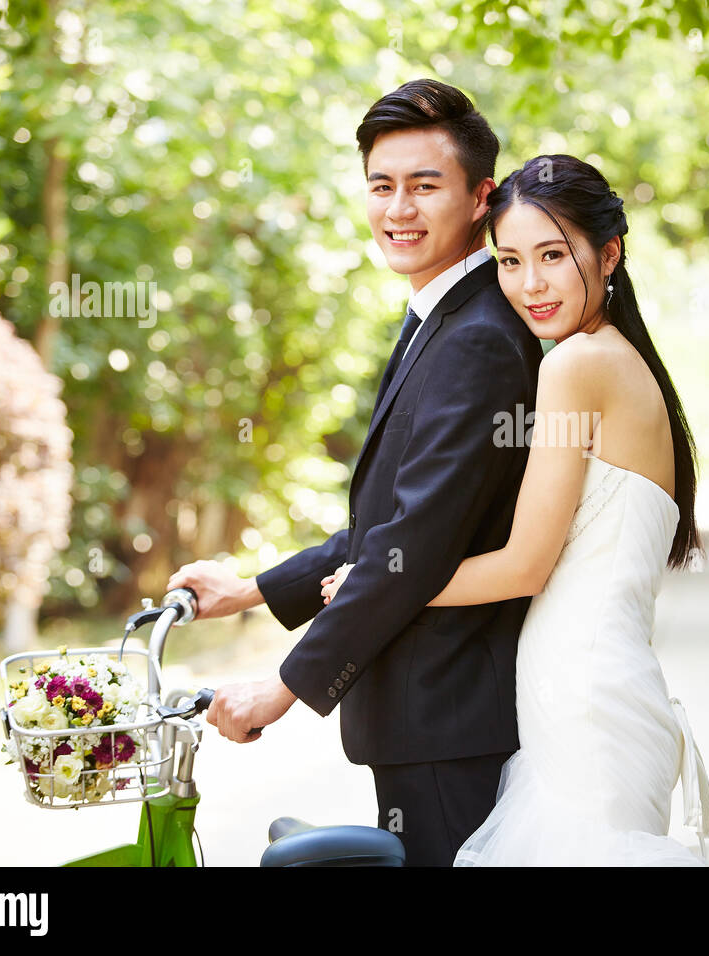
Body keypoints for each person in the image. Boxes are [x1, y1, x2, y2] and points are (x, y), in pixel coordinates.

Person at [322, 155, 709, 866]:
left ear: (609, 252)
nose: (530, 285)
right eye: (510, 261)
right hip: (595, 690)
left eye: (554, 256)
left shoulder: (575, 366)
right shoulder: (617, 360)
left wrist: (374, 586)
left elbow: (524, 565)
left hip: (583, 698)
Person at [167, 79, 543, 867]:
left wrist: (283, 688)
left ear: (481, 197)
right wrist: (247, 593)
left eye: (424, 186)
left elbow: (418, 541)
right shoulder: (437, 319)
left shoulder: (477, 338)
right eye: (382, 186)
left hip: (449, 715)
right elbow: (384, 531)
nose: (398, 209)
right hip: (423, 719)